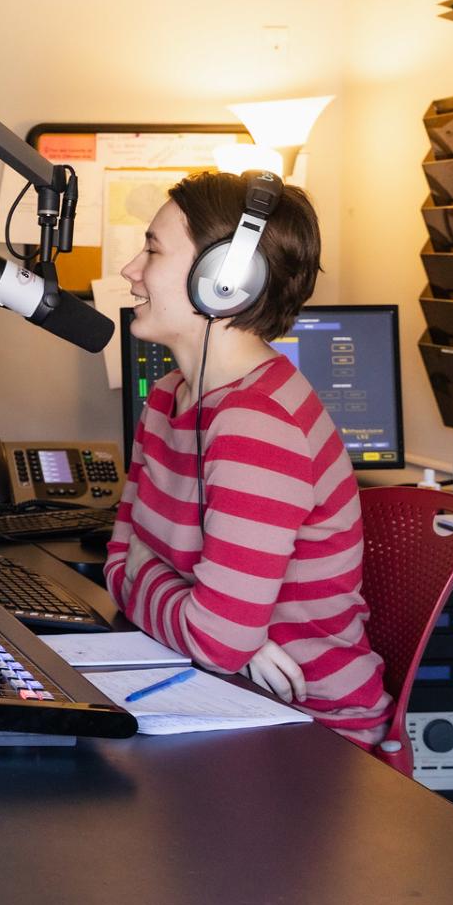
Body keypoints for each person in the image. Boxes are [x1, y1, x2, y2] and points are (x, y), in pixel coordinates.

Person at [105, 170, 389, 743]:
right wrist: (216, 628)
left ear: (223, 282)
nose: (130, 271)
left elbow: (211, 638)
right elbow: (117, 560)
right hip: (222, 696)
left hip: (313, 736)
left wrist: (154, 578)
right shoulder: (168, 397)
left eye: (153, 251)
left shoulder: (257, 425)